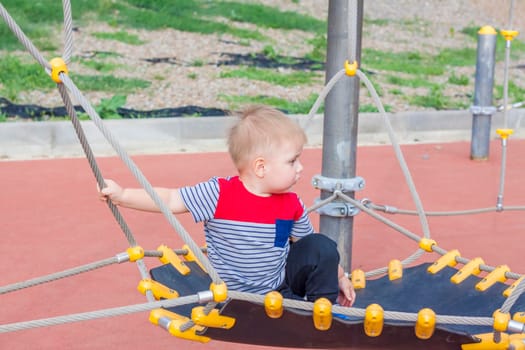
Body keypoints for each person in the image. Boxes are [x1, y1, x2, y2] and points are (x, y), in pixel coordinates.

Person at [99, 105, 355, 306]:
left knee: (321, 245)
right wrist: (123, 196)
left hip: (279, 286)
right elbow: (171, 199)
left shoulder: (291, 204)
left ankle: (321, 308)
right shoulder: (219, 193)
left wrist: (340, 276)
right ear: (261, 167)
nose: (300, 168)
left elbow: (310, 247)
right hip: (231, 293)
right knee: (319, 246)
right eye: (292, 161)